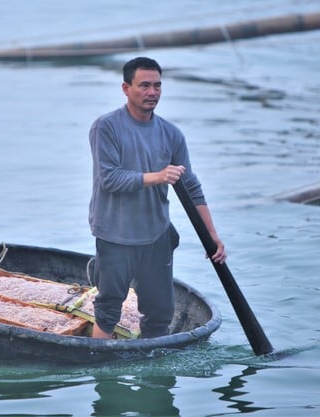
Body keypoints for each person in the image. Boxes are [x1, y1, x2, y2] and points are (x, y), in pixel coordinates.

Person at [88, 56, 226, 339]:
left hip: (156, 235)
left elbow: (191, 186)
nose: (152, 92)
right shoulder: (106, 127)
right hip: (116, 235)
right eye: (144, 86)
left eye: (157, 86)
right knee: (108, 310)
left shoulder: (171, 134)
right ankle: (100, 369)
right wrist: (158, 176)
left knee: (161, 313)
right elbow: (110, 179)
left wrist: (212, 235)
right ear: (126, 88)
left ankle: (153, 373)